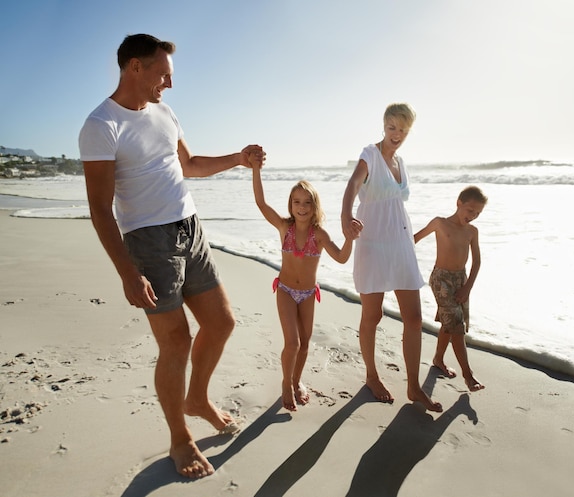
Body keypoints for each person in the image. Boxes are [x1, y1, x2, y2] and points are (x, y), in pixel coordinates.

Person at [78, 33, 264, 479]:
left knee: (221, 323)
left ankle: (196, 398)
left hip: (190, 227)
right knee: (176, 341)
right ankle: (180, 437)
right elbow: (101, 208)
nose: (170, 83)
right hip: (148, 241)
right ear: (134, 67)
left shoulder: (165, 112)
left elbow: (190, 164)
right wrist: (126, 271)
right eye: (163, 74)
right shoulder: (101, 125)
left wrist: (238, 159)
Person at [341, 103, 442, 412]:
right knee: (373, 315)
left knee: (414, 318)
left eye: (403, 130)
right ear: (383, 126)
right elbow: (353, 185)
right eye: (392, 128)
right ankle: (371, 376)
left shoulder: (401, 162)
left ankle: (413, 385)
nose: (397, 135)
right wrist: (345, 217)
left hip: (400, 241)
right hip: (372, 242)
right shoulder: (369, 155)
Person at [251, 161, 359, 411]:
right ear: (290, 205)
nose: (301, 207)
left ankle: (297, 380)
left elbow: (342, 258)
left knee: (306, 343)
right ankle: (286, 384)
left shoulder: (319, 234)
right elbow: (261, 203)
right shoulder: (284, 227)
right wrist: (256, 169)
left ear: (314, 206)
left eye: (307, 202)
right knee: (293, 343)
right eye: (296, 202)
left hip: (308, 294)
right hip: (286, 291)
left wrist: (350, 239)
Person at [413, 186, 488, 392]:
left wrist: (468, 288)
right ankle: (468, 375)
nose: (473, 216)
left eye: (478, 213)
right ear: (459, 203)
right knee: (456, 326)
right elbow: (414, 240)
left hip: (461, 281)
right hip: (441, 279)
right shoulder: (440, 223)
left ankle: (438, 359)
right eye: (470, 210)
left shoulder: (472, 232)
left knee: (450, 323)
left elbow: (477, 262)